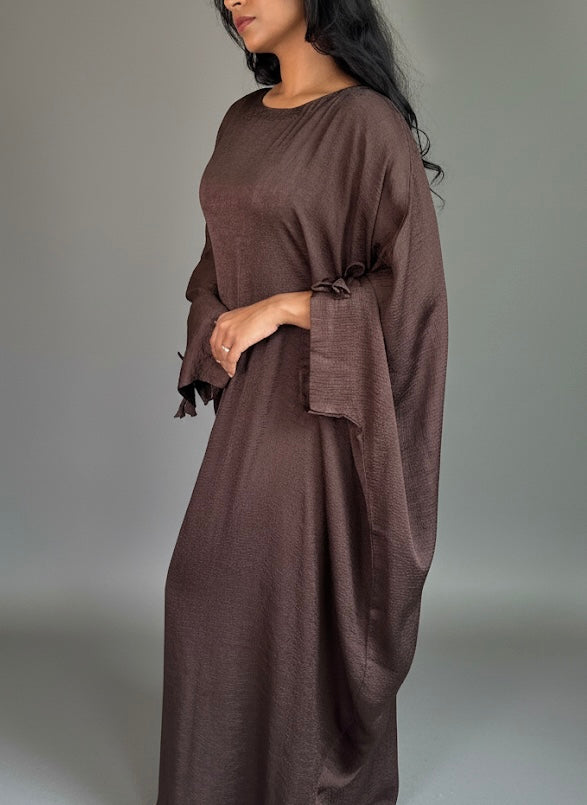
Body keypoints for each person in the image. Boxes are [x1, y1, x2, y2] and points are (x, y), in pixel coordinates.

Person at [155, 1, 448, 803]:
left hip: (325, 408)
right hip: (253, 401)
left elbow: (410, 293)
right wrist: (219, 315)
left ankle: (294, 780)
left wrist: (282, 308)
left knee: (270, 597)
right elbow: (218, 254)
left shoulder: (365, 125)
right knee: (208, 591)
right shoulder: (241, 120)